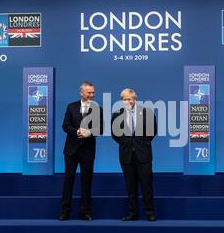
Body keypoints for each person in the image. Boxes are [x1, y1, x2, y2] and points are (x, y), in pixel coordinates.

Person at [111, 88, 157, 221]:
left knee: (146, 185)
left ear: (134, 99)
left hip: (143, 155)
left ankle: (150, 213)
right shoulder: (117, 114)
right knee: (130, 186)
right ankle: (133, 213)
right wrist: (126, 143)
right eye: (124, 99)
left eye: (129, 99)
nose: (127, 102)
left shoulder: (146, 112)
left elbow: (153, 131)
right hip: (126, 155)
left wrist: (141, 143)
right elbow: (115, 134)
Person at [59, 81, 103, 221]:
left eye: (93, 92)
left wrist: (89, 133)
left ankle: (85, 212)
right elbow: (65, 126)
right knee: (68, 180)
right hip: (71, 150)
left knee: (86, 181)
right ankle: (65, 211)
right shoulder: (71, 107)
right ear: (81, 93)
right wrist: (77, 131)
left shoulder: (98, 109)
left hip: (88, 151)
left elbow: (101, 129)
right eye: (89, 92)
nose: (92, 95)